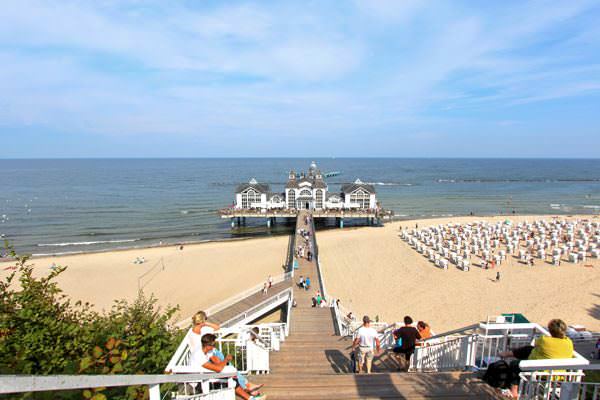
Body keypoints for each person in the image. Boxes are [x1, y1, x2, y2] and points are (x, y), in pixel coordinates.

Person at [499, 319, 574, 398]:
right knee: (528, 349)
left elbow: (537, 344)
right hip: (560, 373)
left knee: (515, 364)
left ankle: (514, 391)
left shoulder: (544, 340)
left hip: (542, 372)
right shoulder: (568, 342)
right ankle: (508, 354)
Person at [196, 334, 265, 400]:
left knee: (232, 379)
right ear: (207, 346)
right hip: (197, 381)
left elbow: (218, 363)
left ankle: (250, 396)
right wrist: (226, 360)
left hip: (205, 376)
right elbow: (219, 368)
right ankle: (250, 395)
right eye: (214, 345)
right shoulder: (199, 355)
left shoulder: (207, 352)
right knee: (231, 380)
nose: (214, 348)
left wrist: (224, 362)